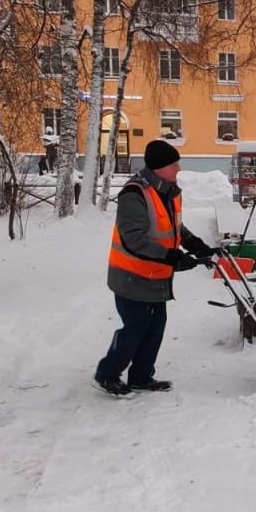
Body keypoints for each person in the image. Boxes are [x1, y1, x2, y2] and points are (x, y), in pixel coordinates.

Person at [94, 139, 216, 396]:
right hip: (132, 276)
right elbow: (134, 238)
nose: (178, 168)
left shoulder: (167, 191)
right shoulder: (135, 194)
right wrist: (171, 257)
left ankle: (140, 376)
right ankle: (107, 374)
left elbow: (173, 226)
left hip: (155, 276)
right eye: (174, 164)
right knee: (136, 328)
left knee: (155, 327)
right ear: (159, 167)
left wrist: (194, 244)